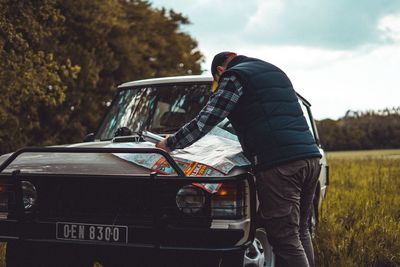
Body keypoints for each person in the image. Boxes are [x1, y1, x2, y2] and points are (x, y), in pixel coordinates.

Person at [156, 52, 322, 267]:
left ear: (219, 72)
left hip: (280, 164)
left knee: (285, 238)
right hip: (310, 156)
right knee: (300, 231)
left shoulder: (234, 77)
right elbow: (263, 115)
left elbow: (208, 118)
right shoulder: (272, 71)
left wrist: (170, 143)